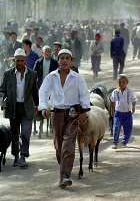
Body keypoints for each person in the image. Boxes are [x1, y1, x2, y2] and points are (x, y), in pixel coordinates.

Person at [38, 49, 90, 188]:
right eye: (62, 58)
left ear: (71, 60)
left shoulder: (77, 77)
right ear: (58, 60)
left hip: (73, 114)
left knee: (68, 144)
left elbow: (84, 94)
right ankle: (64, 168)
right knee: (58, 146)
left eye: (67, 58)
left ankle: (65, 176)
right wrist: (44, 108)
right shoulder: (51, 77)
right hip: (56, 114)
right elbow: (43, 93)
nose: (65, 60)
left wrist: (84, 110)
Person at [0, 48, 39, 167]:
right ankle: (16, 156)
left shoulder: (32, 74)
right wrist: (2, 103)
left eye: (22, 61)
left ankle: (23, 156)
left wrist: (38, 105)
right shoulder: (8, 74)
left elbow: (34, 92)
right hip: (13, 107)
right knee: (15, 133)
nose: (20, 63)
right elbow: (2, 91)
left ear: (26, 60)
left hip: (27, 108)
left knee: (26, 133)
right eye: (17, 61)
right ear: (14, 60)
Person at [111, 74, 138, 149]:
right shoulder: (115, 92)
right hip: (118, 113)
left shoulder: (130, 91)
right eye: (120, 82)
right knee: (116, 128)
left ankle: (124, 142)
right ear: (117, 82)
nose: (121, 84)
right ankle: (115, 143)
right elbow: (112, 101)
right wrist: (112, 111)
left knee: (128, 128)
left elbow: (134, 100)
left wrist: (133, 108)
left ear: (127, 82)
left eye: (123, 82)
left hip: (127, 114)